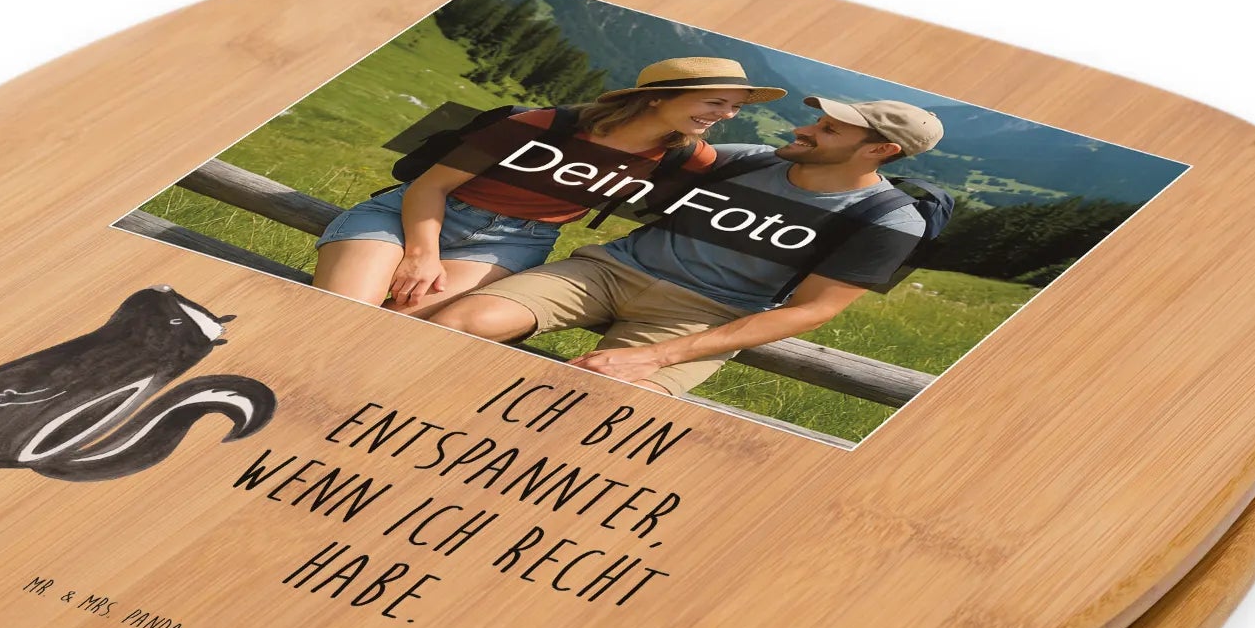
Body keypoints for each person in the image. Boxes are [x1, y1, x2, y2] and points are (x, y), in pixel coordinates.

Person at [427, 96, 945, 395]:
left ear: (880, 150)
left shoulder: (888, 220)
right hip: (607, 272)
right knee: (459, 324)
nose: (802, 129)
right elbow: (630, 150)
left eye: (827, 130)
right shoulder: (749, 159)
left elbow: (812, 311)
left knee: (601, 403)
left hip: (706, 316)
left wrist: (657, 357)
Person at [311, 58, 784, 314]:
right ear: (658, 97)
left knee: (397, 324)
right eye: (715, 102)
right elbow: (430, 186)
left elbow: (736, 191)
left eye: (734, 107)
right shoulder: (544, 124)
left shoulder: (688, 155)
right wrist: (422, 255)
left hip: (513, 243)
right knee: (342, 311)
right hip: (411, 215)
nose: (725, 115)